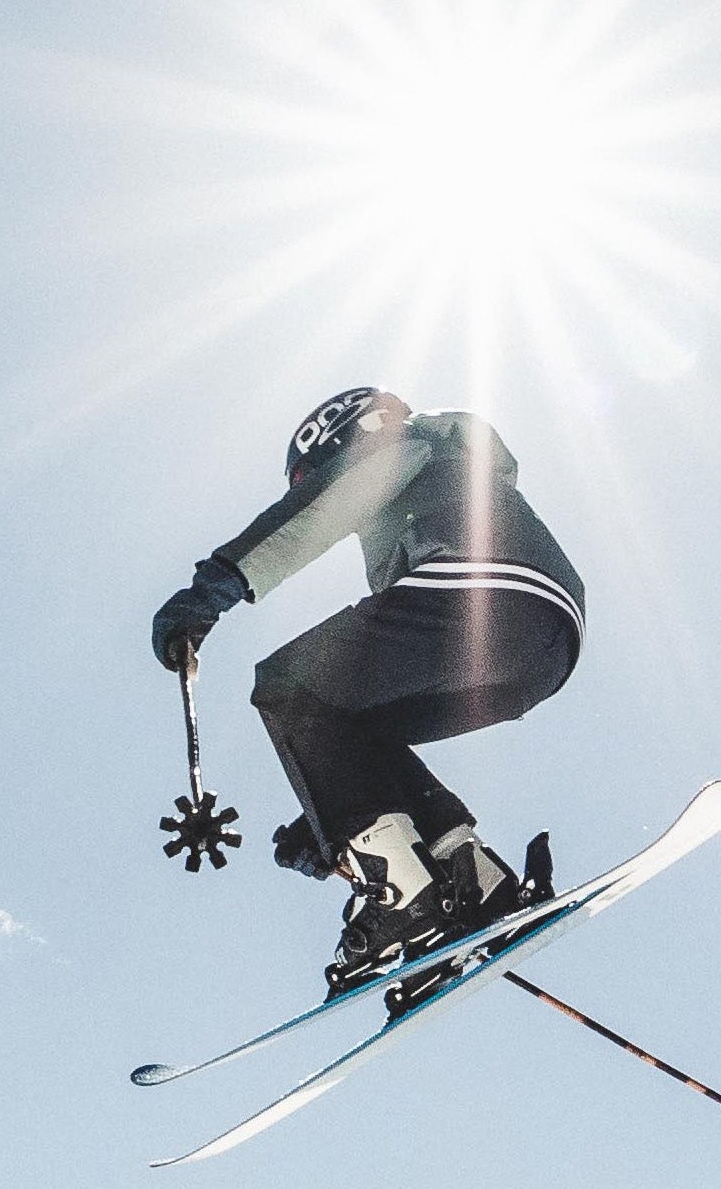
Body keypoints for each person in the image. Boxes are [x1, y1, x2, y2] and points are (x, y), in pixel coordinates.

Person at [152, 387, 587, 994]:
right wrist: (330, 814)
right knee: (354, 725)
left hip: (482, 593)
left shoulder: (399, 444)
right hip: (543, 646)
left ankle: (407, 897)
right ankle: (475, 881)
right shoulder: (447, 466)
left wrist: (213, 589)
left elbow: (321, 508)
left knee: (288, 685)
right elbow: (342, 739)